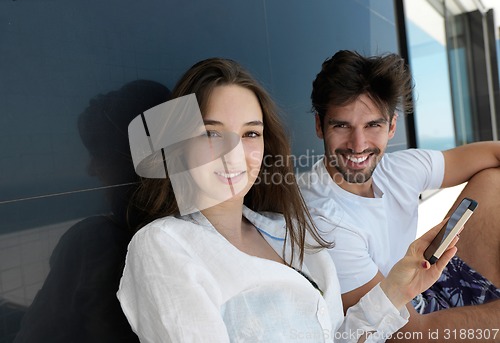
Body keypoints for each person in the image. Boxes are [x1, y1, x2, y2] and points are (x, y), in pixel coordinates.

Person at [117, 57, 457, 343]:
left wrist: (397, 288)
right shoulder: (163, 246)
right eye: (212, 133)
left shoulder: (289, 231)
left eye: (250, 133)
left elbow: (339, 337)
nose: (234, 154)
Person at [299, 50, 500, 342]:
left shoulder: (397, 168)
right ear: (320, 126)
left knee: (492, 178)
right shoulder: (322, 218)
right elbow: (406, 333)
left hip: (427, 284)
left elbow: (492, 153)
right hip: (403, 324)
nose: (358, 145)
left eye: (373, 125)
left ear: (392, 126)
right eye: (341, 125)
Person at [14, 80, 171, 342]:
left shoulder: (93, 243)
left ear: (127, 159)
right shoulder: (209, 230)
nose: (90, 169)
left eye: (98, 153)